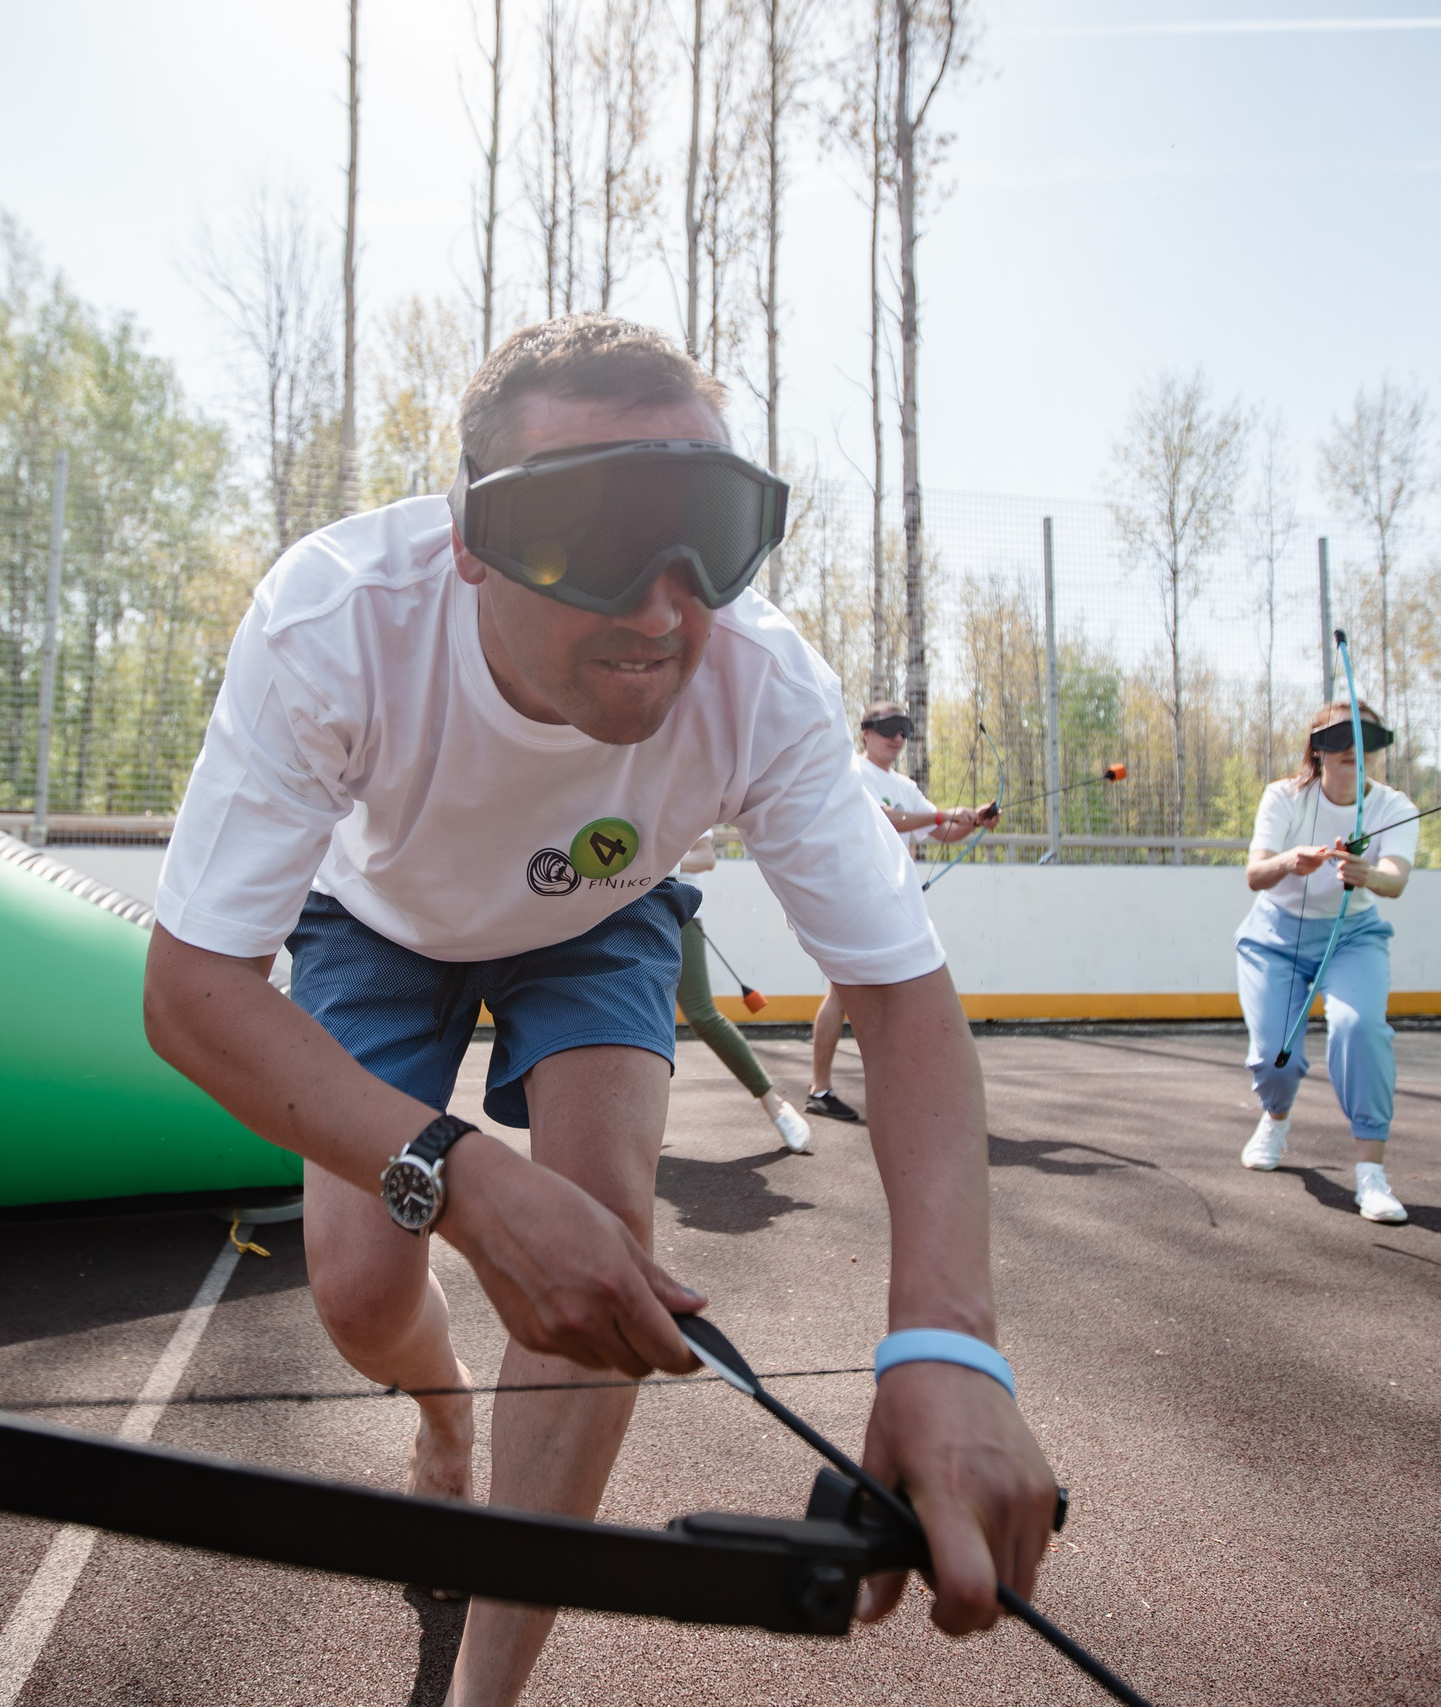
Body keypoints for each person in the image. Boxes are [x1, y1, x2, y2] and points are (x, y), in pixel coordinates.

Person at [142, 314, 1054, 1706]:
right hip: (379, 917)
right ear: (469, 537)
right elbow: (193, 990)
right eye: (582, 536)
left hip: (599, 911)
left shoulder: (765, 682)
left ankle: (484, 1693)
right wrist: (469, 1186)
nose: (658, 608)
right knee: (361, 1283)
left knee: (607, 1212)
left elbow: (900, 992)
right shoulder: (334, 620)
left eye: (706, 535)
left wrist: (947, 1340)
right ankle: (444, 1408)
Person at [1235, 699, 1419, 1224]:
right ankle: (1275, 1116)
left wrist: (1367, 874)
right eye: (1339, 742)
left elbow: (1396, 879)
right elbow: (1255, 874)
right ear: (1318, 750)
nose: (1352, 754)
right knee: (1277, 1055)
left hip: (1352, 936)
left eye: (1363, 744)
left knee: (1360, 1029)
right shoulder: (1284, 797)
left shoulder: (1395, 806)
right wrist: (1290, 862)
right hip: (1275, 937)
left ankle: (1371, 1174)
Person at [802, 703, 997, 1124]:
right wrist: (944, 813)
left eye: (905, 730)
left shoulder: (905, 785)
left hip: (895, 901)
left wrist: (974, 820)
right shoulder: (852, 771)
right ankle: (820, 1088)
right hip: (856, 894)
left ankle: (882, 1090)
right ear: (866, 732)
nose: (898, 738)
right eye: (889, 728)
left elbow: (942, 831)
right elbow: (885, 820)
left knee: (892, 991)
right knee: (842, 991)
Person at [674, 830, 815, 1152]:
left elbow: (705, 857)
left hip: (679, 912)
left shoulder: (686, 784)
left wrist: (652, 865)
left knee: (701, 1014)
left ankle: (773, 1102)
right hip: (619, 913)